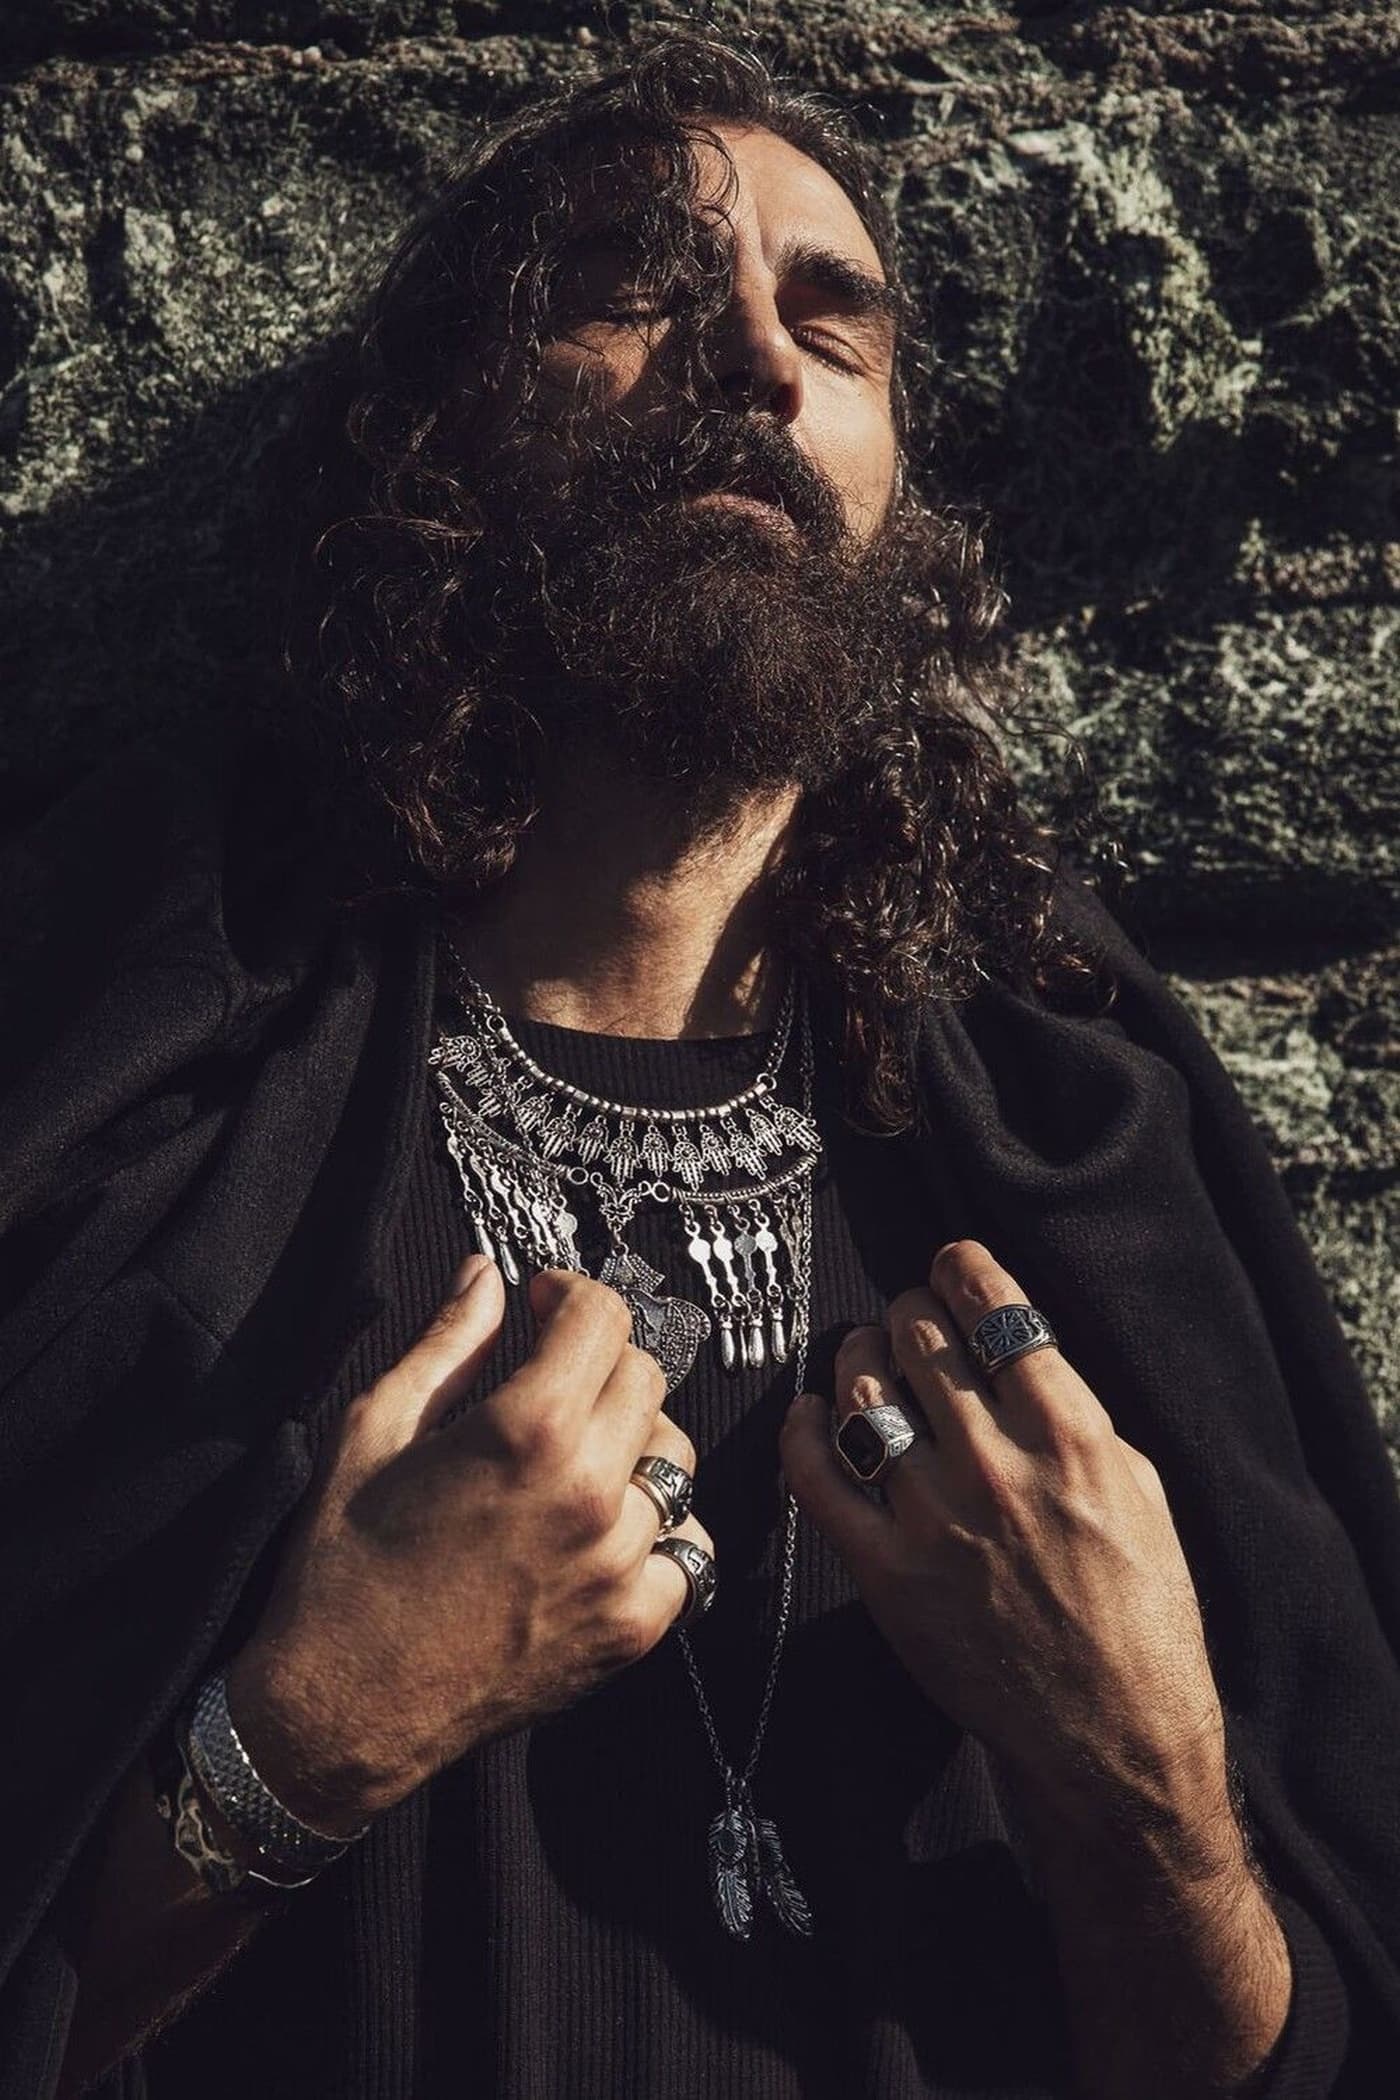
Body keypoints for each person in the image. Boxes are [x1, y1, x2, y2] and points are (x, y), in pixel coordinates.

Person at [2, 30, 1398, 2100]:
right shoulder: (144, 1095)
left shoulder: (1073, 1141)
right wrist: (302, 1738)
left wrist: (1140, 1787)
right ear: (442, 430)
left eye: (834, 327)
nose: (754, 356)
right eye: (634, 288)